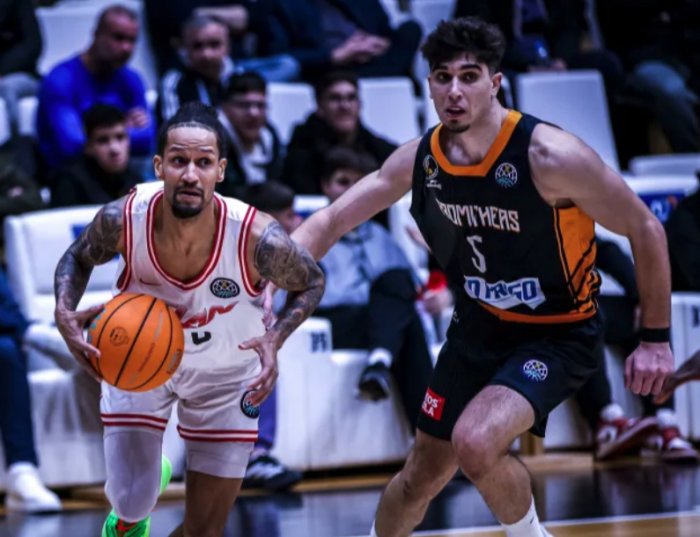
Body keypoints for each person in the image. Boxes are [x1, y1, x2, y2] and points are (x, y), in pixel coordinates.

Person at [275, 17, 674, 537]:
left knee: (476, 441)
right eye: (443, 77)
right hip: (478, 328)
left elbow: (646, 227)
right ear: (429, 86)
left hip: (557, 333)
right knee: (420, 476)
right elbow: (330, 220)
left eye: (469, 76)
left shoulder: (549, 155)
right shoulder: (422, 158)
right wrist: (266, 282)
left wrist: (655, 339)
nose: (455, 91)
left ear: (495, 82)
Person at [53, 102, 324, 536]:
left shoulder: (256, 236)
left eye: (203, 162)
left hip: (226, 375)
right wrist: (64, 313)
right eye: (179, 161)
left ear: (221, 170)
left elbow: (311, 281)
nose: (191, 175)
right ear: (159, 166)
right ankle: (135, 502)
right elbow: (77, 257)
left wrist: (276, 337)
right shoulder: (124, 218)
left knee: (205, 530)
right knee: (131, 501)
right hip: (140, 367)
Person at [313, 147, 433, 420]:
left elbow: (406, 288)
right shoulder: (312, 233)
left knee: (397, 281)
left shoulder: (380, 235)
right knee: (407, 325)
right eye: (343, 181)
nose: (351, 190)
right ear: (325, 186)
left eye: (359, 183)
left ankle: (379, 361)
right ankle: (427, 433)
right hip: (333, 321)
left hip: (377, 320)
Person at [36, 4, 154, 172]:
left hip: (120, 174)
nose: (126, 48)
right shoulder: (61, 80)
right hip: (70, 176)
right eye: (118, 38)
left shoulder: (132, 79)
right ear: (97, 35)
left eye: (132, 40)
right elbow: (71, 145)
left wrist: (93, 134)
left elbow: (147, 139)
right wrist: (122, 130)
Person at [282, 70, 396, 195]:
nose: (345, 106)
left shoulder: (376, 147)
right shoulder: (301, 150)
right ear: (320, 106)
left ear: (360, 105)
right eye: (335, 98)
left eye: (351, 98)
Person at [51, 104, 142, 208]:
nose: (114, 149)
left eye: (120, 137)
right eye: (103, 140)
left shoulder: (135, 180)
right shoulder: (68, 183)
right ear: (88, 146)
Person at [217, 72, 284, 199]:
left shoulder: (270, 135)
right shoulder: (214, 140)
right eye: (244, 105)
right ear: (225, 108)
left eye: (260, 105)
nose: (254, 113)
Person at [0, 0, 42, 137]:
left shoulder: (18, 3)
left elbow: (32, 46)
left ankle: (15, 143)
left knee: (7, 87)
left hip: (20, 73)